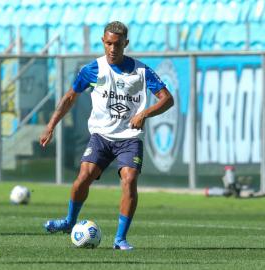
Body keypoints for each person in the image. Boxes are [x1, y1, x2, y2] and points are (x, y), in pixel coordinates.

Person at [40, 21, 174, 250]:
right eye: (109, 44)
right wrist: (51, 125)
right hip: (101, 136)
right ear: (103, 42)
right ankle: (70, 221)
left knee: (130, 181)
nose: (113, 49)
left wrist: (145, 114)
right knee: (84, 177)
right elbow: (70, 97)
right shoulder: (93, 69)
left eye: (118, 45)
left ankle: (120, 239)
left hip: (129, 138)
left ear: (126, 44)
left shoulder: (141, 71)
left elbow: (167, 99)